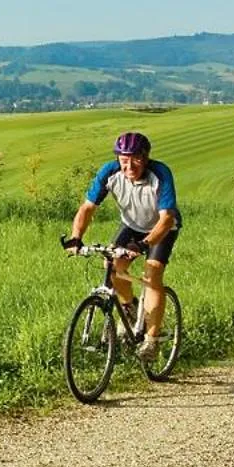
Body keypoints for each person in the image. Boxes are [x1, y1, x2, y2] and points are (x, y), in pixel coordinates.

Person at [62, 131, 180, 360]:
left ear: (145, 158)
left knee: (152, 273)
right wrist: (76, 237)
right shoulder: (109, 172)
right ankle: (129, 306)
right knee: (113, 266)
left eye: (135, 158)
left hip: (162, 228)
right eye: (124, 160)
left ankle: (152, 341)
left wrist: (144, 244)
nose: (129, 165)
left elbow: (166, 218)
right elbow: (87, 208)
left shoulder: (160, 174)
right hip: (131, 225)